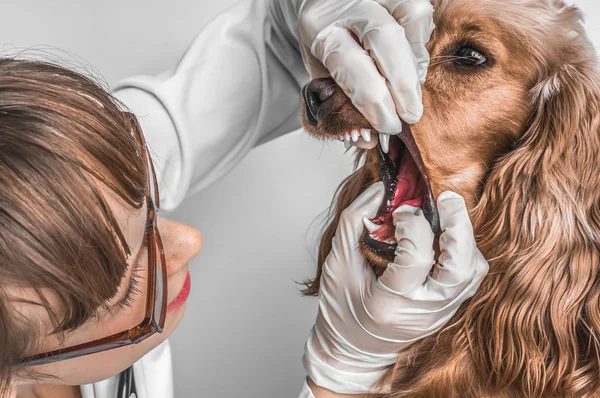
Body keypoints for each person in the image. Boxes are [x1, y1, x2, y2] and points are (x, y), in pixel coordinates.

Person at [1, 0, 488, 397]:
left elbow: (257, 62)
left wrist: (305, 20)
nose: (189, 239)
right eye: (128, 284)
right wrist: (340, 376)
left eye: (143, 199)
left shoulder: (42, 170)